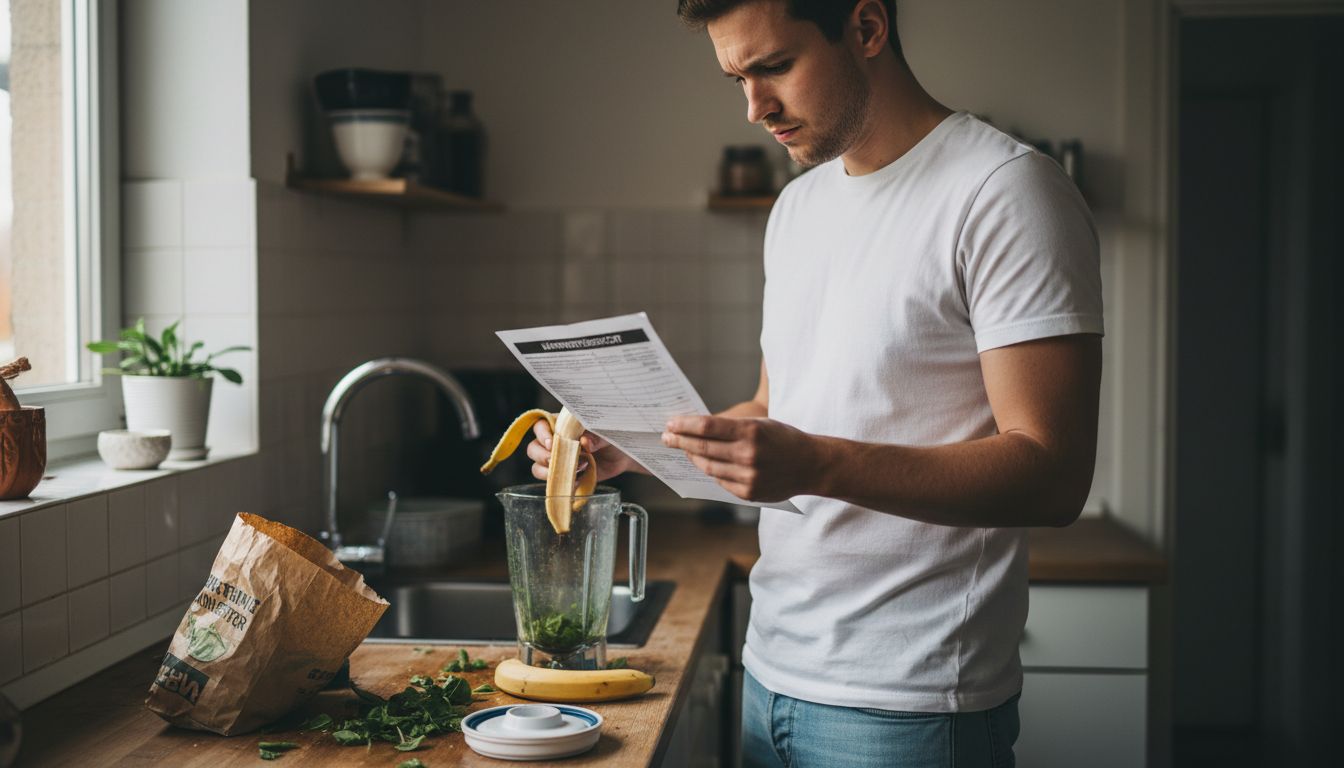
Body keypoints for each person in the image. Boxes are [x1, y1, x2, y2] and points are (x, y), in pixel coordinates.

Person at [530, 0, 1103, 765]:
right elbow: (774, 412)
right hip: (771, 675)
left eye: (774, 68)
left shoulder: (1005, 191)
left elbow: (1052, 475)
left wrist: (816, 465)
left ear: (866, 29)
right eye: (736, 77)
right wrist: (632, 447)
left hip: (913, 704)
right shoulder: (796, 206)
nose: (754, 107)